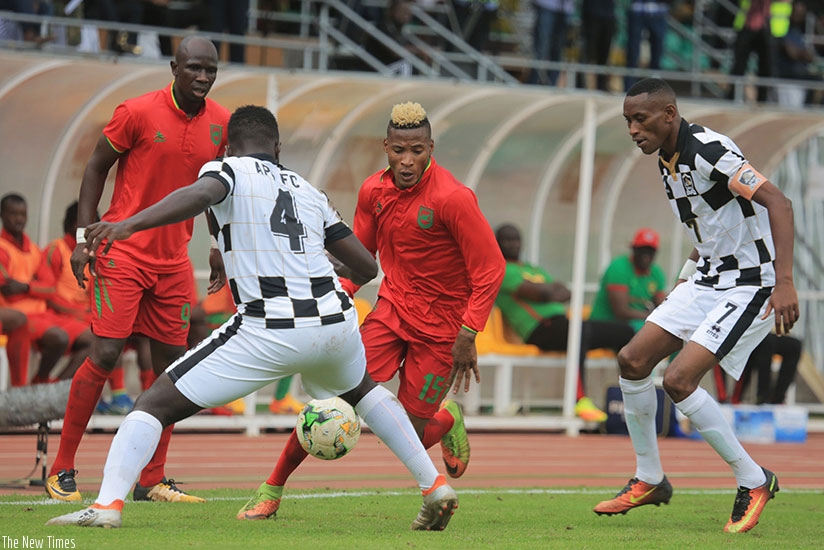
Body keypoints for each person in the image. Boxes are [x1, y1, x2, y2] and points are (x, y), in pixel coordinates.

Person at [46, 104, 459, 531]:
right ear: (277, 147)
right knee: (364, 392)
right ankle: (433, 487)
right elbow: (366, 268)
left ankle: (107, 505)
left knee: (150, 405)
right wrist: (309, 266)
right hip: (336, 322)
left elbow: (203, 194)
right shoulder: (307, 189)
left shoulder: (227, 170)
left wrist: (129, 225)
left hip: (270, 328)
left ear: (227, 146)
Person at [238, 101, 505, 520]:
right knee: (334, 399)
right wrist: (332, 298)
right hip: (392, 312)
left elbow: (491, 267)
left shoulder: (453, 199)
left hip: (442, 330)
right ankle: (271, 488)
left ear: (431, 147)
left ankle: (447, 419)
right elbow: (361, 259)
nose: (407, 160)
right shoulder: (373, 192)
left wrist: (469, 333)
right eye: (399, 150)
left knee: (406, 437)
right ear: (386, 146)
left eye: (417, 150)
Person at [595, 77, 798, 534]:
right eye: (627, 120)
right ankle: (650, 478)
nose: (632, 129)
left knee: (679, 379)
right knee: (632, 360)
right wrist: (682, 284)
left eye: (640, 119)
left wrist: (784, 282)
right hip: (707, 279)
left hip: (750, 283)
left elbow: (778, 203)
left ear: (669, 114)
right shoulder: (665, 159)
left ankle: (754, 479)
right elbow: (707, 229)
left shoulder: (708, 149)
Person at [45, 35, 230, 504]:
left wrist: (217, 247)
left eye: (210, 70)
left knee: (170, 369)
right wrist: (84, 239)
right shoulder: (137, 112)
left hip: (173, 263)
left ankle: (152, 479)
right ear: (174, 67)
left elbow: (215, 189)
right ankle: (62, 467)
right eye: (194, 68)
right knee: (106, 354)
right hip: (122, 254)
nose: (203, 77)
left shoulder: (221, 124)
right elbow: (94, 169)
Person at [494, 223, 635, 423]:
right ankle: (579, 399)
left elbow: (564, 291)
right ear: (496, 243)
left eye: (516, 239)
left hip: (561, 323)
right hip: (539, 329)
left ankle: (628, 398)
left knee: (625, 332)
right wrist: (547, 290)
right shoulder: (501, 270)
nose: (513, 244)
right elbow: (543, 292)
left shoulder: (530, 268)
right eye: (506, 239)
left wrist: (547, 291)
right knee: (579, 331)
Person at [42, 201, 138, 412]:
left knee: (115, 330)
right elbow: (48, 294)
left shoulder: (96, 252)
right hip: (58, 316)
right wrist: (78, 311)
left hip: (85, 317)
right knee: (101, 337)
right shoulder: (55, 250)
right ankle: (57, 393)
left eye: (95, 222)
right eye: (88, 223)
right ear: (73, 225)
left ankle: (115, 396)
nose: (93, 227)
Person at [0, 193, 92, 385]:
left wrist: (25, 286)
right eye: (13, 214)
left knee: (95, 339)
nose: (19, 219)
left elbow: (50, 288)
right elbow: (8, 289)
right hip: (20, 316)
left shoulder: (33, 249)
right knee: (58, 338)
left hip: (44, 314)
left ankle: (49, 388)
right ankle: (30, 387)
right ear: (2, 215)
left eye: (22, 214)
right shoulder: (3, 248)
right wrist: (36, 288)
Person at [589, 227, 667, 333]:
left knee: (668, 335)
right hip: (605, 325)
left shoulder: (656, 273)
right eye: (642, 250)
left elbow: (663, 304)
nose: (646, 255)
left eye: (650, 251)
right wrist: (653, 317)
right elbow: (621, 312)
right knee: (647, 333)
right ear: (633, 249)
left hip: (635, 324)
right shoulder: (619, 267)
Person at [731, 332, 802, 405]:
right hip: (752, 336)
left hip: (770, 334)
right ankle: (762, 397)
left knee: (795, 345)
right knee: (767, 342)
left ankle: (778, 399)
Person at [623, 0, 670, 92]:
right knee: (633, 52)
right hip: (637, 9)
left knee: (657, 50)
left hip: (658, 10)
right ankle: (629, 87)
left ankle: (656, 87)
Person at [527, 0, 573, 86]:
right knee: (541, 48)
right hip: (546, 5)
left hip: (565, 8)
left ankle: (551, 85)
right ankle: (533, 83)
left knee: (558, 50)